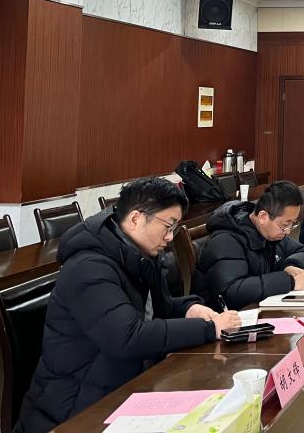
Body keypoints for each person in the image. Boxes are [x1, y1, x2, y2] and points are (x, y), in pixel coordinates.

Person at [17, 178, 241, 432]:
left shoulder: (139, 255)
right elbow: (127, 336)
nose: (170, 237)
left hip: (125, 386)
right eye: (168, 226)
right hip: (75, 410)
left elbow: (156, 310)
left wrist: (190, 308)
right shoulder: (88, 267)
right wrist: (208, 329)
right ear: (135, 219)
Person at [194, 181, 304, 311]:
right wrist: (290, 282)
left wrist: (290, 266)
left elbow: (301, 251)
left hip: (258, 308)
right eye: (285, 224)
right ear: (263, 217)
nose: (288, 231)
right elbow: (232, 292)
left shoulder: (271, 233)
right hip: (225, 317)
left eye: (293, 223)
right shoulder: (226, 240)